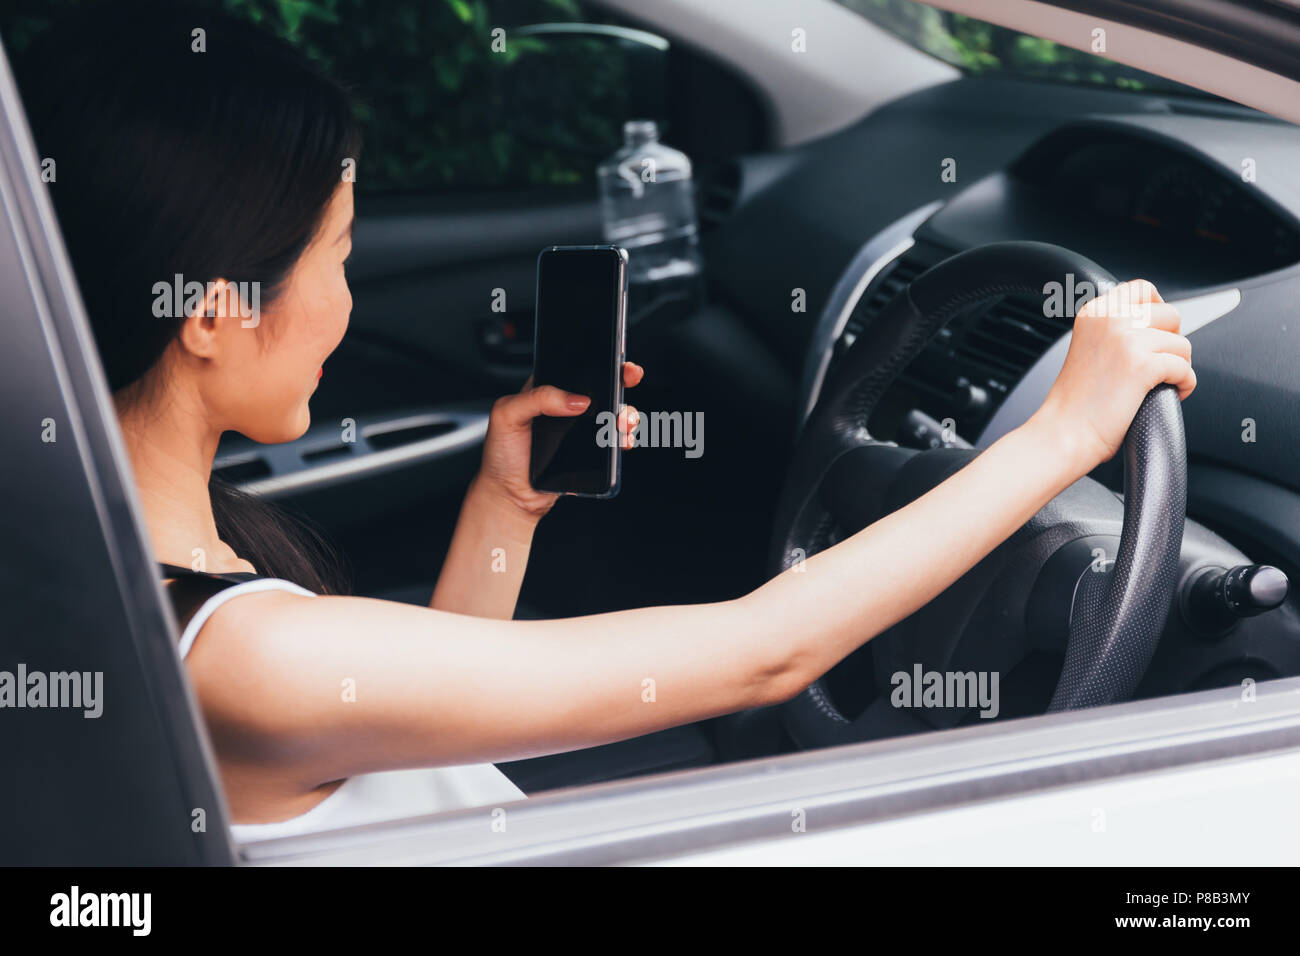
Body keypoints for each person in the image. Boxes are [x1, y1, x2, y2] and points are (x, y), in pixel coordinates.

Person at [18, 4, 1195, 841]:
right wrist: (1061, 434)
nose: (348, 296)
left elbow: (409, 718)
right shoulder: (248, 658)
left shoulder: (140, 570)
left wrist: (502, 507)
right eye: (336, 254)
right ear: (213, 314)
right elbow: (762, 652)